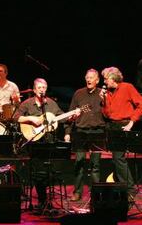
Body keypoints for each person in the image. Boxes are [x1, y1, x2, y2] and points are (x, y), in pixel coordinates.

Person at [14, 78, 68, 210]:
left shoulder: (51, 104)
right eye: (39, 87)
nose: (42, 90)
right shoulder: (27, 103)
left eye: (44, 87)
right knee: (38, 171)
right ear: (34, 90)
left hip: (48, 141)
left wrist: (72, 115)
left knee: (48, 169)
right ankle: (42, 200)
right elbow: (16, 117)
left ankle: (45, 200)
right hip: (34, 141)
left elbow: (62, 117)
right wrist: (31, 118)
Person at [101, 66, 142, 201]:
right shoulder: (107, 92)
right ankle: (124, 187)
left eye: (106, 79)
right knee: (116, 159)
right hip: (112, 126)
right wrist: (103, 100)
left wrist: (131, 122)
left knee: (119, 158)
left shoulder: (127, 87)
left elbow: (140, 104)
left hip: (124, 125)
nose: (105, 82)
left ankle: (130, 189)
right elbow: (107, 114)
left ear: (113, 78)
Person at [64, 69, 106, 201]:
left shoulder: (102, 93)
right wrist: (67, 132)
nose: (89, 80)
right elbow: (70, 115)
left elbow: (109, 113)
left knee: (95, 165)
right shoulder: (79, 93)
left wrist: (105, 99)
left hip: (97, 132)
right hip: (81, 132)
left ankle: (96, 193)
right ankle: (77, 192)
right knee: (79, 163)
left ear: (97, 80)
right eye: (87, 77)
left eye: (91, 77)